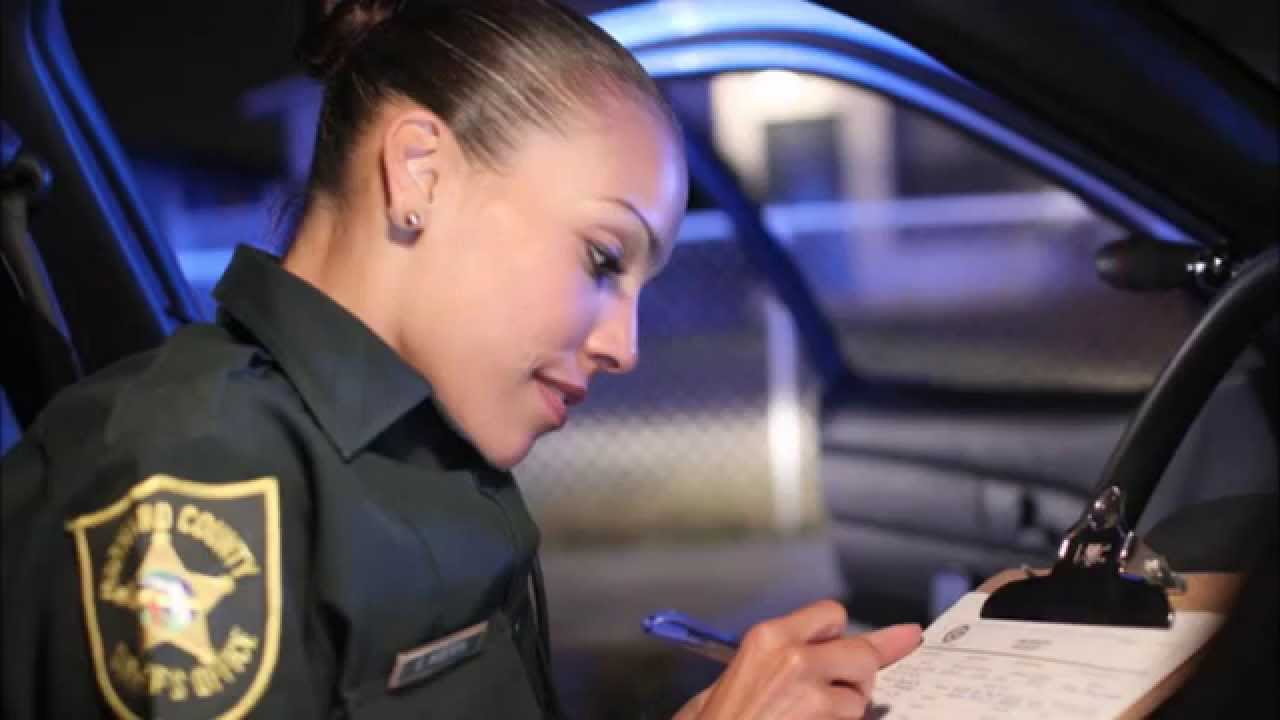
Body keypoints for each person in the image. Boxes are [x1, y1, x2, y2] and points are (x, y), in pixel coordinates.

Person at [0, 1, 922, 717]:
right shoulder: (193, 474)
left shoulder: (424, 461)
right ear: (420, 173)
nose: (625, 346)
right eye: (604, 259)